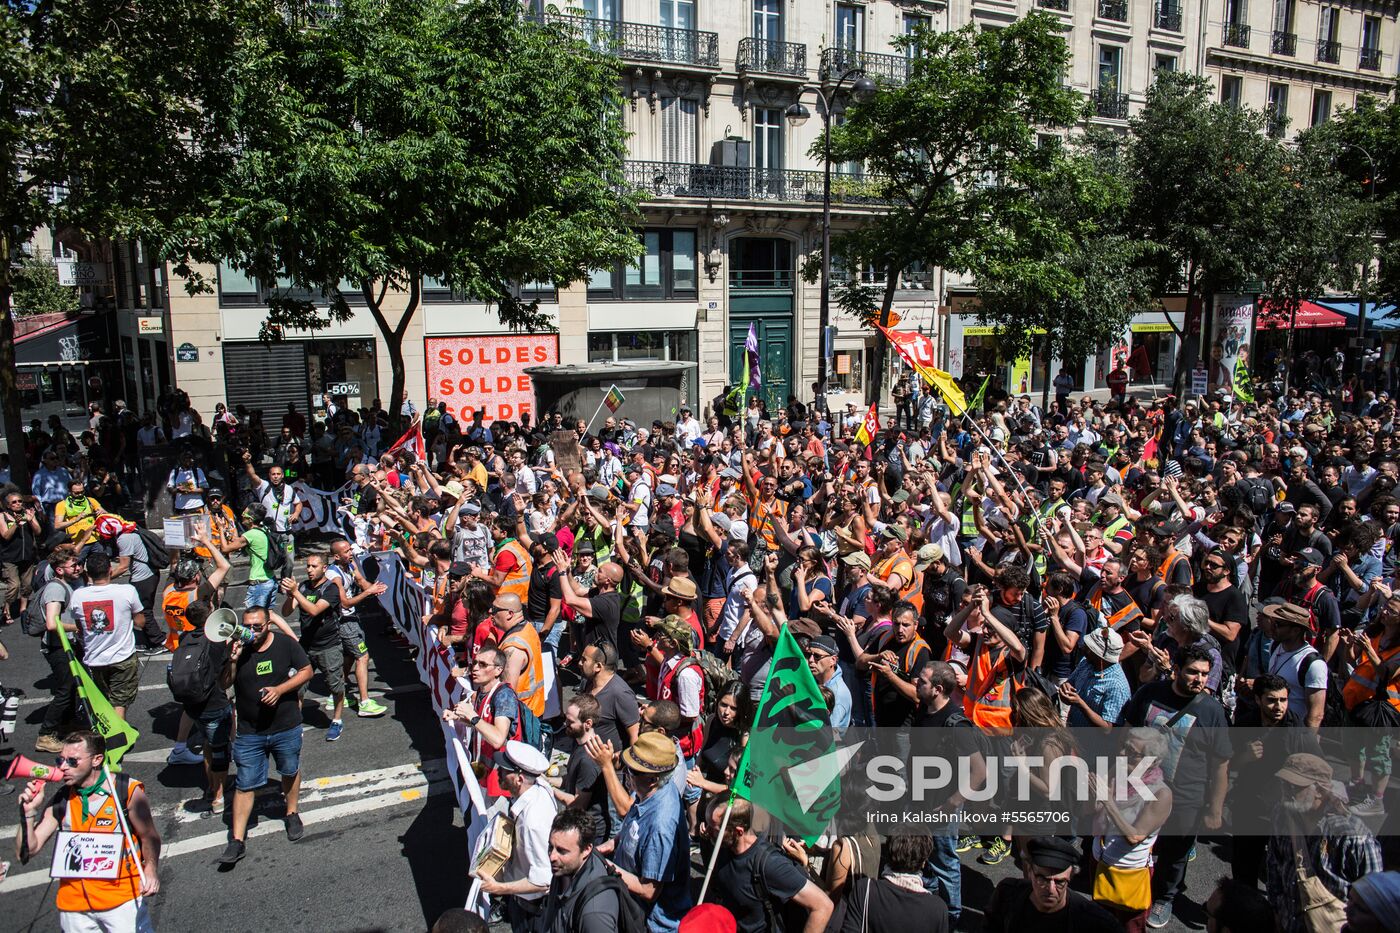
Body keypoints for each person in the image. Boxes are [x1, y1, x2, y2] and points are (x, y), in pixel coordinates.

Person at [1117, 644, 1233, 929]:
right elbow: (1125, 734)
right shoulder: (1150, 694)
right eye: (1193, 672)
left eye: (1205, 674)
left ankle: (1164, 896)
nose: (1200, 679)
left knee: (1175, 852)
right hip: (1139, 787)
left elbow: (1221, 764)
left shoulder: (1211, 711)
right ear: (1177, 670)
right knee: (1134, 841)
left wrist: (1215, 808)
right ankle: (1127, 888)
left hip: (1186, 796)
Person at [13, 731, 162, 932]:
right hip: (74, 906)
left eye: (72, 761)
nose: (63, 767)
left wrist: (150, 870)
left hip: (122, 900)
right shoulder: (63, 797)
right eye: (60, 759)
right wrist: (29, 813)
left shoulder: (126, 790)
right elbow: (27, 851)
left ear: (97, 760)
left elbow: (149, 836)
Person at [220, 605, 313, 867]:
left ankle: (292, 812)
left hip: (285, 725)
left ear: (268, 625)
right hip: (250, 730)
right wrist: (233, 660)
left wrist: (281, 690)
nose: (251, 632)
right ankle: (237, 840)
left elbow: (306, 671)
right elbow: (224, 683)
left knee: (289, 770)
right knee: (245, 782)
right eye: (247, 626)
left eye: (257, 627)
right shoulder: (238, 649)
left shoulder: (285, 644)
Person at [586, 731, 693, 932]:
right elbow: (632, 824)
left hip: (650, 922)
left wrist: (604, 865)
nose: (627, 773)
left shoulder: (661, 826)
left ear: (653, 779)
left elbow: (648, 890)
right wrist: (609, 846)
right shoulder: (650, 789)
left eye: (633, 770)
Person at [1266, 753, 1383, 933]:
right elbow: (1274, 864)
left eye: (1295, 786)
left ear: (1320, 791)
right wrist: (1275, 911)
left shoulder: (1351, 835)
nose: (1286, 791)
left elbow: (1374, 900)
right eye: (1284, 784)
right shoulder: (1281, 814)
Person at [703, 796, 834, 933]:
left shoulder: (771, 864)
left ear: (738, 831)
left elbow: (823, 906)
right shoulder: (723, 847)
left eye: (713, 827)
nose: (707, 830)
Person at [477, 741, 557, 933]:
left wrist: (499, 888)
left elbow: (543, 880)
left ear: (519, 779)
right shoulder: (538, 785)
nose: (498, 772)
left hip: (532, 912)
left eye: (504, 771)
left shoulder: (532, 823)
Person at [983, 836, 1122, 932]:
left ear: (1071, 876)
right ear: (1029, 871)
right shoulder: (1007, 894)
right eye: (1042, 879)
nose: (1050, 889)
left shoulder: (1094, 920)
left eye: (1060, 882)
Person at [67, 553, 145, 723]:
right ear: (110, 570)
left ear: (87, 573)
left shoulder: (78, 595)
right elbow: (140, 622)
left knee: (105, 699)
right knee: (120, 702)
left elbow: (80, 625)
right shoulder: (127, 591)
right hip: (122, 656)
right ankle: (117, 739)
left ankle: (109, 730)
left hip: (95, 658)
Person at [281, 552, 345, 740]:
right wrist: (289, 596)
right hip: (306, 646)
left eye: (314, 566)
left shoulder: (330, 589)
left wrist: (296, 593)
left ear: (324, 568)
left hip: (328, 646)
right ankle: (295, 723)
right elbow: (286, 612)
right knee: (298, 686)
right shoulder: (302, 587)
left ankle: (337, 720)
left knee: (335, 686)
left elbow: (315, 610)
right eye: (308, 566)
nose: (309, 570)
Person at [325, 538, 390, 718]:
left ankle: (337, 693)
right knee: (362, 656)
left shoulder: (350, 565)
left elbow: (361, 582)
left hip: (352, 618)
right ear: (337, 557)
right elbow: (344, 603)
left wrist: (374, 588)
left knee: (348, 656)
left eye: (350, 549)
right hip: (344, 621)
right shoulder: (334, 575)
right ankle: (364, 702)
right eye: (346, 551)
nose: (350, 553)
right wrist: (368, 593)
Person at [540, 808, 622, 933]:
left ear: (586, 849)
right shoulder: (565, 869)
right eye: (551, 847)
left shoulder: (594, 913)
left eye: (562, 851)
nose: (552, 856)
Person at [0, 487, 41, 626]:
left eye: (19, 501)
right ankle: (7, 609)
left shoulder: (27, 513)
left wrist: (30, 520)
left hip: (27, 556)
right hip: (10, 557)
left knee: (27, 585)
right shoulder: (3, 516)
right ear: (7, 505)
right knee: (14, 586)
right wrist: (16, 524)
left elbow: (38, 531)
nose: (18, 504)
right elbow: (5, 536)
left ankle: (23, 609)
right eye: (14, 502)